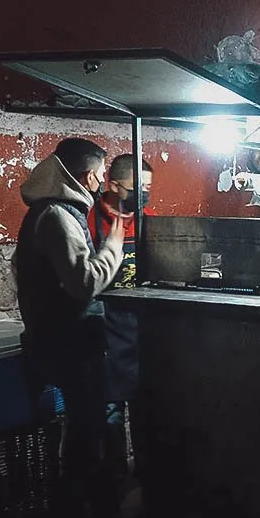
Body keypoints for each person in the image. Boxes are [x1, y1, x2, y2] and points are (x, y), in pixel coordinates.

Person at [13, 138, 145, 518]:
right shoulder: (55, 216)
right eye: (100, 174)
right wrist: (115, 240)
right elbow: (85, 282)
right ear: (90, 177)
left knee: (88, 440)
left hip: (68, 341)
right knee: (90, 443)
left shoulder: (54, 212)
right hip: (70, 344)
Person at [88, 155, 154, 491]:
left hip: (141, 333)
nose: (144, 195)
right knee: (109, 416)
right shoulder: (89, 221)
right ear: (113, 185)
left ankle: (147, 478)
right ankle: (112, 486)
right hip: (105, 335)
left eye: (147, 189)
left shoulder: (148, 221)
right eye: (138, 188)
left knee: (147, 411)